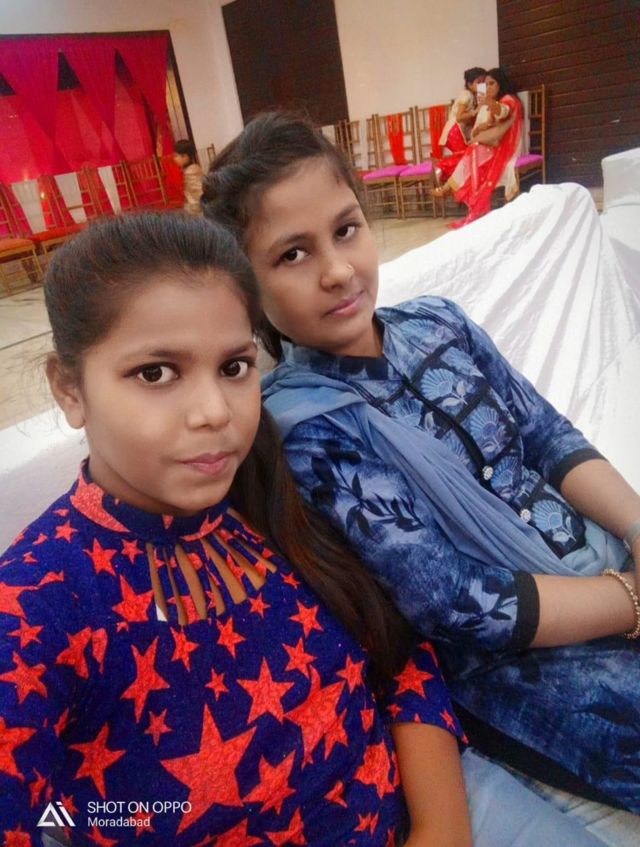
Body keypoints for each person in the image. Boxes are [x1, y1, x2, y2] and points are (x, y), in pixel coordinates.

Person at [201, 112, 640, 841]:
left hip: (611, 563)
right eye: (293, 254)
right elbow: (458, 603)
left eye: (346, 229)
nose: (337, 270)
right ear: (249, 292)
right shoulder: (302, 429)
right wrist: (631, 601)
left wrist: (636, 527)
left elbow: (547, 435)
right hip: (522, 666)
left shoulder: (441, 323)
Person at [0, 211, 479, 847]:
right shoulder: (34, 604)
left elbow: (401, 654)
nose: (214, 413)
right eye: (156, 373)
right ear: (69, 390)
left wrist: (441, 828)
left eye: (234, 367)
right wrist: (96, 824)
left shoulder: (273, 492)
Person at [433, 67, 524, 227]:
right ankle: (459, 193)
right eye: (484, 84)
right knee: (472, 152)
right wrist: (481, 122)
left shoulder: (507, 100)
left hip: (505, 149)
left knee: (473, 152)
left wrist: (488, 103)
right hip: (490, 144)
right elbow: (489, 124)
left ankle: (452, 187)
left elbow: (503, 112)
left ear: (501, 84)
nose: (487, 87)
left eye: (491, 84)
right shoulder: (490, 102)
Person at [435, 66, 486, 184]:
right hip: (455, 130)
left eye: (483, 81)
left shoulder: (475, 96)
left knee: (466, 157)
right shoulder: (466, 94)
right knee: (466, 156)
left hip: (459, 131)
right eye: (478, 82)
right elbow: (459, 116)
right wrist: (475, 112)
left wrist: (481, 99)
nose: (482, 85)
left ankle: (446, 175)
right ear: (469, 84)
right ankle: (440, 166)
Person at [173, 138, 204, 215]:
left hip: (197, 210)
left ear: (185, 156)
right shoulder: (192, 168)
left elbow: (199, 193)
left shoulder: (191, 171)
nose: (174, 159)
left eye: (176, 156)